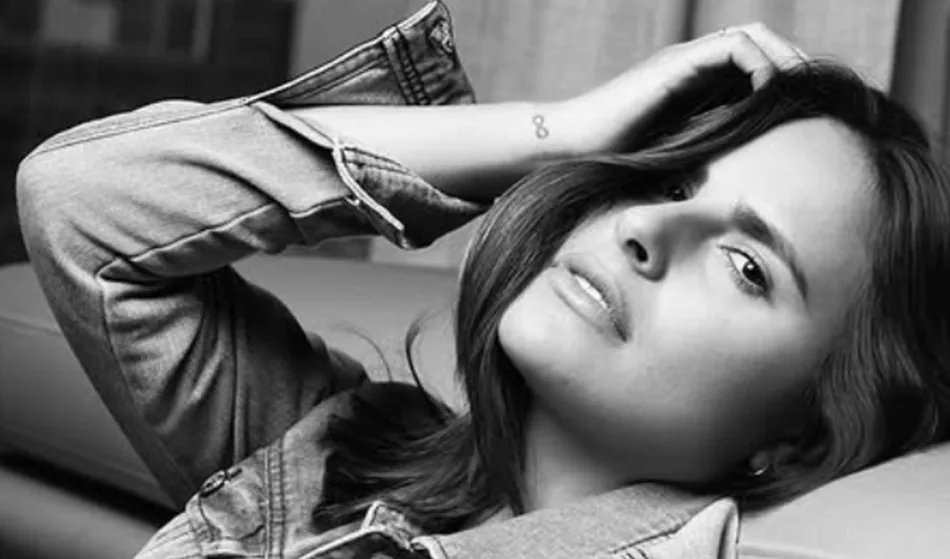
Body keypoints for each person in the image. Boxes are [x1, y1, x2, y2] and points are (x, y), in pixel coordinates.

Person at [16, 1, 950, 558]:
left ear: (798, 436)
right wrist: (559, 131)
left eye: (747, 265)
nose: (643, 228)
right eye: (670, 183)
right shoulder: (333, 451)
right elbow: (80, 206)